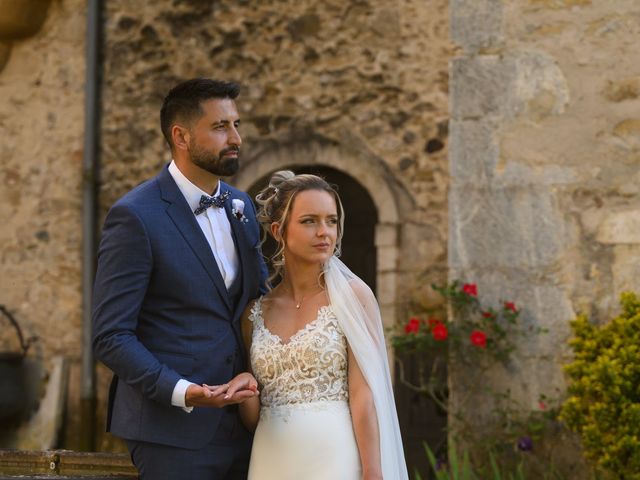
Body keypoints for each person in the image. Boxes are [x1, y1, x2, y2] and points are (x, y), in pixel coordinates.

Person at [92, 78, 268, 480]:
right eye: (221, 127)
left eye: (236, 124)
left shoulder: (240, 205)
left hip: (245, 423)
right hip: (169, 432)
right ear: (182, 136)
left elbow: (258, 301)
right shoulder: (135, 216)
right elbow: (110, 335)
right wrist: (182, 391)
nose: (236, 137)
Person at [221, 170, 408, 479]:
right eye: (310, 221)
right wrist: (247, 390)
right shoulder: (255, 312)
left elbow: (364, 397)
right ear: (280, 231)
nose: (324, 232)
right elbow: (253, 419)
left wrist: (373, 471)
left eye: (331, 221)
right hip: (271, 459)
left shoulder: (353, 297)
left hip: (336, 458)